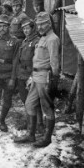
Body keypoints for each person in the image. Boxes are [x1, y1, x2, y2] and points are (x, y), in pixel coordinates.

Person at [14, 12, 60, 148]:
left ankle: (47, 138)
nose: (40, 27)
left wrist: (52, 82)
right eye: (38, 24)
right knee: (29, 104)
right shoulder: (43, 38)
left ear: (49, 24)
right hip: (35, 77)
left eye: (43, 24)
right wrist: (31, 77)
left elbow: (55, 63)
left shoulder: (52, 39)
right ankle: (31, 134)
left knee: (47, 107)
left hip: (44, 78)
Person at [0, 14, 20, 136]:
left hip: (8, 74)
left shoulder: (15, 41)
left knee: (7, 100)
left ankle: (2, 120)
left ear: (9, 27)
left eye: (5, 26)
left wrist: (13, 78)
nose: (2, 28)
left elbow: (16, 60)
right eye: (0, 26)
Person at [9, 18, 44, 132]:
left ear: (32, 28)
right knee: (25, 100)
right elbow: (18, 59)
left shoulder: (37, 41)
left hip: (31, 75)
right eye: (24, 29)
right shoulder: (24, 42)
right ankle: (29, 122)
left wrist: (32, 76)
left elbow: (38, 60)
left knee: (34, 101)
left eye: (27, 28)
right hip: (21, 75)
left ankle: (39, 124)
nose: (26, 31)